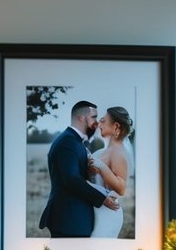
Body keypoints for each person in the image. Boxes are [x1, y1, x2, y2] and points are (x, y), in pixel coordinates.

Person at [38, 100, 119, 238]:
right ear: (81, 117)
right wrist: (103, 199)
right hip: (68, 220)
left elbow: (78, 176)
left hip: (74, 219)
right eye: (93, 117)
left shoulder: (75, 141)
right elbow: (72, 179)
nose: (97, 122)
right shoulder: (67, 142)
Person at [88, 107, 134, 239]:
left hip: (107, 214)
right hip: (97, 211)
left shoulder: (119, 153)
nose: (99, 124)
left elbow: (121, 188)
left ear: (116, 126)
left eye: (103, 120)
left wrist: (101, 166)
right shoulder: (103, 151)